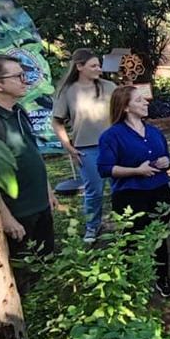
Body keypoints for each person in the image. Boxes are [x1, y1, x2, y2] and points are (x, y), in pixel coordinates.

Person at [0, 54, 58, 261]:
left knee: (47, 262)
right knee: (25, 269)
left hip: (40, 204)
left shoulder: (19, 110)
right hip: (18, 211)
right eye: (19, 76)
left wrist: (47, 189)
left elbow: (32, 152)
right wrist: (6, 217)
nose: (26, 80)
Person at [97, 86, 170, 297]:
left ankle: (162, 278)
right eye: (139, 100)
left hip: (159, 191)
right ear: (125, 107)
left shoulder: (154, 131)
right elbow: (105, 168)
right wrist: (136, 171)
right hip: (130, 195)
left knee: (159, 236)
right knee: (131, 239)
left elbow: (168, 157)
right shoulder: (111, 136)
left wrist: (167, 162)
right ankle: (131, 282)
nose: (146, 102)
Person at [52, 48, 116, 242]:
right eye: (93, 66)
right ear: (79, 67)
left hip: (114, 146)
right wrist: (68, 147)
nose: (99, 69)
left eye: (99, 65)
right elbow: (57, 121)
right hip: (86, 149)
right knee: (94, 191)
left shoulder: (109, 86)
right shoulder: (67, 91)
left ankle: (124, 223)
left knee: (120, 188)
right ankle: (92, 226)